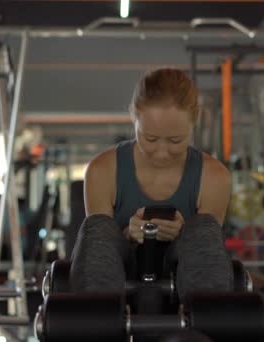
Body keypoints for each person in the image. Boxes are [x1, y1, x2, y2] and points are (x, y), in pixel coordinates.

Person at [69, 68, 234, 300]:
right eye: (151, 139)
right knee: (98, 229)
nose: (162, 153)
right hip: (121, 274)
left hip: (184, 276)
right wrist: (130, 234)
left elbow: (206, 251)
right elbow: (100, 248)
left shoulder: (215, 176)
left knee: (203, 230)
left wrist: (183, 233)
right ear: (134, 119)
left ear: (193, 123)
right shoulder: (102, 170)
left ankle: (205, 325)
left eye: (175, 140)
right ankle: (97, 321)